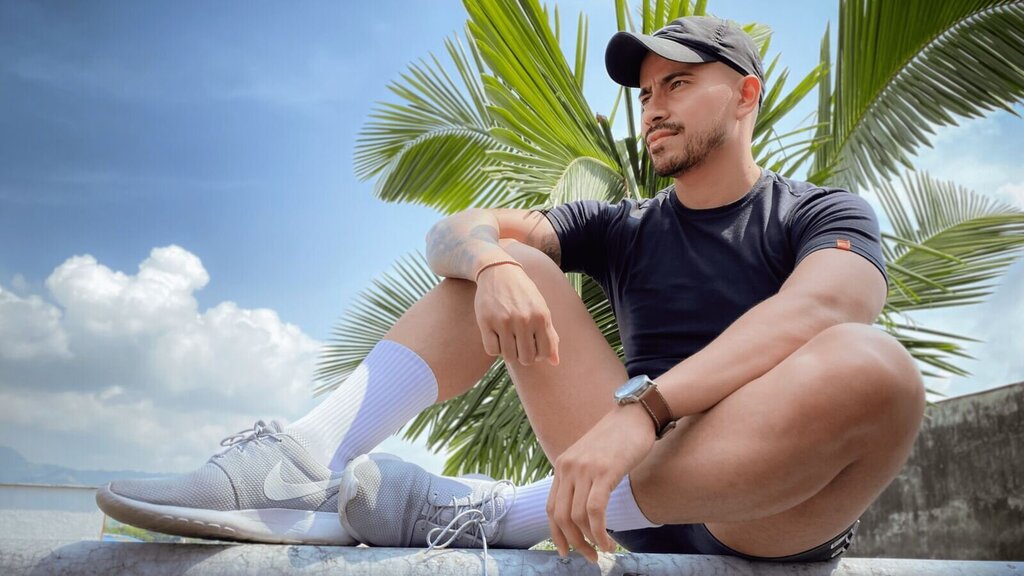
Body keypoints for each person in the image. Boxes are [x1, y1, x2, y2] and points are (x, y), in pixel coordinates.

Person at [96, 15, 925, 563]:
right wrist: (490, 266)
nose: (653, 109)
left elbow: (825, 307)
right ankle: (300, 463)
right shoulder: (621, 225)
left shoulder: (822, 213)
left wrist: (642, 413)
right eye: (645, 93)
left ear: (745, 94)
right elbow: (452, 232)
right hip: (617, 488)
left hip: (764, 516)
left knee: (876, 367)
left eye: (678, 84)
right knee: (505, 262)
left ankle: (507, 515)